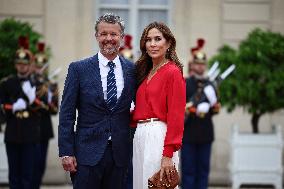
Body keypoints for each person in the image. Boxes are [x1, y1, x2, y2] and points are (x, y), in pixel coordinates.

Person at [58, 13, 136, 189]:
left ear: (121, 37)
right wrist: (66, 151)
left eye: (114, 34)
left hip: (120, 155)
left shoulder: (132, 70)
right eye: (103, 34)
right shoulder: (78, 69)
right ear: (96, 36)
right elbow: (67, 113)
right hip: (86, 155)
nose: (108, 38)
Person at [131, 22, 186, 189]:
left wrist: (168, 154)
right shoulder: (145, 72)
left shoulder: (173, 72)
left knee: (158, 186)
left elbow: (176, 116)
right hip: (140, 135)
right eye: (148, 40)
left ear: (168, 43)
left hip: (159, 136)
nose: (152, 44)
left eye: (157, 39)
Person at [0, 36, 41, 189]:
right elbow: (2, 105)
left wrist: (33, 99)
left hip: (30, 134)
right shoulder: (7, 83)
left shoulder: (37, 84)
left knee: (27, 176)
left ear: (30, 65)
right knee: (14, 175)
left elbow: (44, 109)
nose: (22, 67)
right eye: (19, 64)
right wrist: (13, 106)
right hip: (12, 133)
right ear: (15, 65)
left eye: (25, 64)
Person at [181, 39, 219, 189]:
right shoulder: (185, 83)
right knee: (189, 171)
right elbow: (179, 107)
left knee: (203, 171)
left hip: (205, 133)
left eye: (202, 64)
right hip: (189, 133)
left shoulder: (211, 84)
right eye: (197, 64)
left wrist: (211, 106)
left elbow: (216, 108)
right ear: (192, 65)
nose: (200, 67)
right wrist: (194, 109)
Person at [32, 42, 59, 189]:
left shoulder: (51, 85)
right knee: (29, 163)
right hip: (28, 127)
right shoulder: (29, 83)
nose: (40, 69)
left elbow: (55, 109)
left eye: (42, 66)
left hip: (43, 127)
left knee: (40, 163)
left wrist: (49, 102)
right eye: (37, 66)